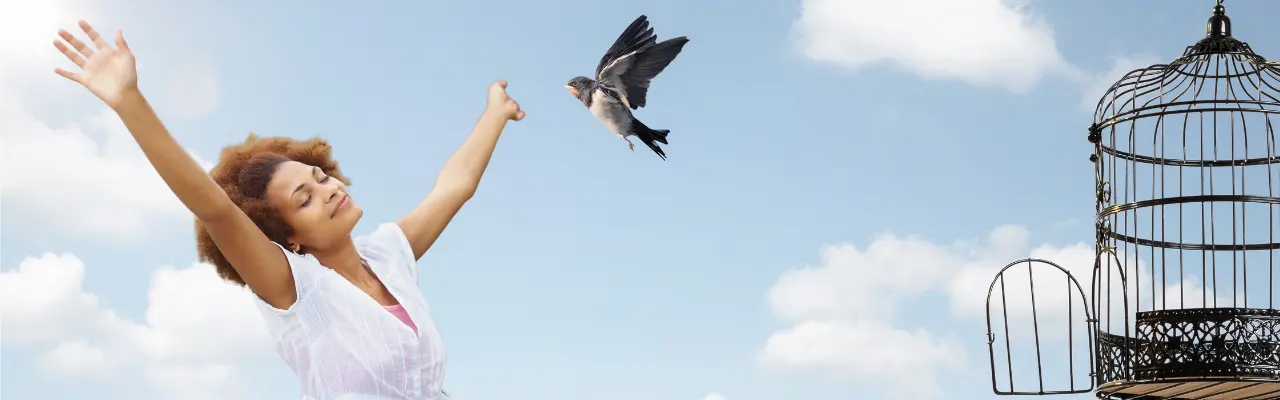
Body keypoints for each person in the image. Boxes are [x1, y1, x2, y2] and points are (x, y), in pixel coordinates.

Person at [52, 20, 525, 400]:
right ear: (287, 235)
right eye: (304, 198)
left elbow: (453, 188)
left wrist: (494, 113)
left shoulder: (386, 257)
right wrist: (129, 101)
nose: (328, 190)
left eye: (320, 178)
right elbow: (215, 210)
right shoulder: (298, 292)